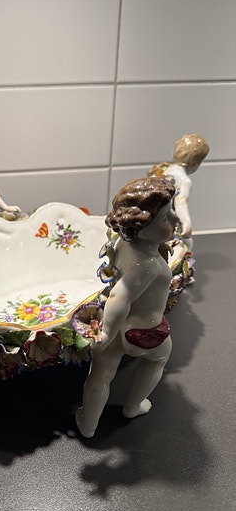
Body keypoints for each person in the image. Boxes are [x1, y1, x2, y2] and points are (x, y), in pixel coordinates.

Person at [75, 177, 179, 438]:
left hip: (115, 325)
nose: (175, 219)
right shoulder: (149, 265)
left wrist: (107, 333)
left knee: (101, 374)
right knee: (158, 360)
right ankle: (133, 406)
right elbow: (120, 297)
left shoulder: (122, 242)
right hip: (143, 330)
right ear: (142, 231)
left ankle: (88, 424)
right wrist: (106, 334)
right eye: (166, 218)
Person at [148, 134, 209, 248]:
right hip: (164, 219)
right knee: (186, 243)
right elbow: (180, 201)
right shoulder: (184, 180)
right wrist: (186, 222)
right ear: (196, 163)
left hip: (149, 217)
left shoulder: (162, 169)